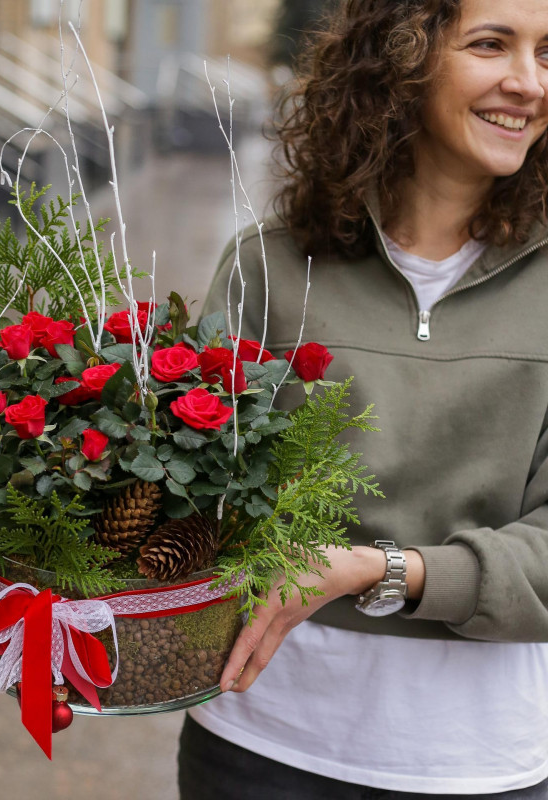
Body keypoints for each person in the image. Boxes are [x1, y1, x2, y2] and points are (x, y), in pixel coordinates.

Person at [178, 0, 548, 796]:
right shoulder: (272, 267)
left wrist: (380, 570)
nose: (527, 82)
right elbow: (184, 488)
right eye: (492, 44)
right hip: (259, 741)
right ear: (401, 60)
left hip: (476, 763)